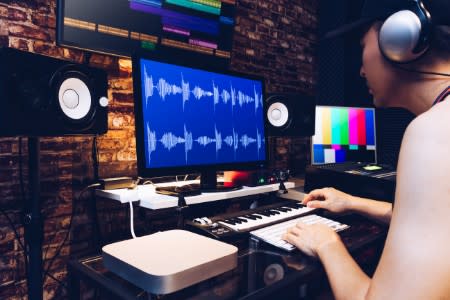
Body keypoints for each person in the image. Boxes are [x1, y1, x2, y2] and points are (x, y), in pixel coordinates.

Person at [282, 0, 450, 299]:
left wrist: (327, 244)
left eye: (363, 46)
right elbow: (434, 224)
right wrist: (353, 202)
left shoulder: (434, 132)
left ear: (400, 38)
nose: (360, 70)